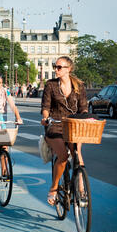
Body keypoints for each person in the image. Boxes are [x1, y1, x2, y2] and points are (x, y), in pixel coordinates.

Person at [40, 56, 88, 206]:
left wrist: (86, 117)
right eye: (55, 66)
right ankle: (54, 188)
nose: (56, 69)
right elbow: (46, 107)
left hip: (73, 124)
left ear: (69, 69)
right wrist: (46, 118)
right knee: (62, 155)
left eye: (59, 67)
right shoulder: (50, 85)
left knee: (77, 154)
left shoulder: (79, 86)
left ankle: (81, 191)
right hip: (55, 124)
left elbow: (83, 107)